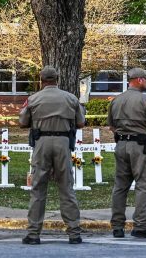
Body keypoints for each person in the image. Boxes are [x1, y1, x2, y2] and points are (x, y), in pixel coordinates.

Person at [19, 66, 86, 245]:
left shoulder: (33, 99)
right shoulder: (71, 98)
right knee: (66, 187)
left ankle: (33, 233)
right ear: (58, 79)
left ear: (41, 80)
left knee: (38, 188)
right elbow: (80, 122)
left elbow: (22, 122)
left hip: (41, 142)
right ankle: (74, 232)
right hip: (63, 142)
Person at [108, 67, 146, 238]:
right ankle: (140, 225)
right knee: (142, 185)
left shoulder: (116, 101)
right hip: (140, 146)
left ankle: (117, 226)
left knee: (120, 186)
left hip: (121, 145)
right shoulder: (145, 101)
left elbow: (111, 126)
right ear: (139, 80)